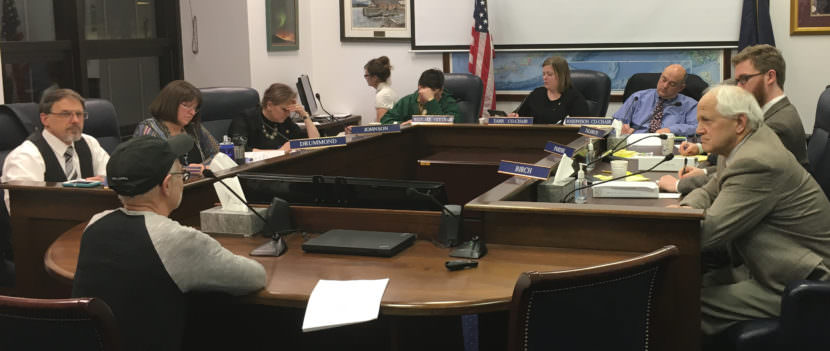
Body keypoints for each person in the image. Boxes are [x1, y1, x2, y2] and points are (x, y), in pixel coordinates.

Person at [72, 134, 266, 351]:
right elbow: (255, 277)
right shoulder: (176, 239)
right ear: (166, 185)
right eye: (181, 174)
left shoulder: (95, 224)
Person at [670, 85, 830, 336]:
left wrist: (676, 220)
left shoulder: (756, 161)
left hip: (795, 281)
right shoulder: (740, 143)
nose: (698, 130)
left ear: (739, 122)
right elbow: (710, 189)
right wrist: (685, 210)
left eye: (706, 121)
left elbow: (705, 233)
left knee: (679, 303)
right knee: (680, 284)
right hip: (764, 264)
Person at [659, 45, 809, 193]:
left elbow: (739, 175)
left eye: (744, 80)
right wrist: (703, 170)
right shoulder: (767, 114)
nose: (738, 88)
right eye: (737, 81)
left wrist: (679, 185)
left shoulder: (778, 125)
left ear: (770, 77)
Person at [2, 89, 110, 210]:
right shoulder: (25, 157)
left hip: (90, 220)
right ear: (45, 119)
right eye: (65, 114)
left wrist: (106, 182)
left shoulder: (89, 143)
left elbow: (113, 178)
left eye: (79, 114)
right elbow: (24, 210)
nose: (75, 120)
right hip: (49, 226)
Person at [133, 80, 219, 166]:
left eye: (195, 108)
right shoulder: (149, 128)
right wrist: (191, 171)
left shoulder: (194, 127)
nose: (192, 112)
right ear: (170, 103)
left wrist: (203, 167)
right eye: (186, 106)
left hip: (201, 179)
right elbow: (152, 168)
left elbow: (217, 154)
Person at [228, 83, 320, 152]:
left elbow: (314, 142)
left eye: (289, 110)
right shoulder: (245, 119)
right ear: (269, 105)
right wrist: (279, 152)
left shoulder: (284, 120)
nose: (288, 114)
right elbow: (239, 150)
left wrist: (305, 115)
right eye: (284, 110)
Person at [613, 64, 698, 136]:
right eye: (663, 80)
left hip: (669, 145)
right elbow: (616, 120)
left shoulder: (690, 105)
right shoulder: (638, 98)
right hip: (635, 143)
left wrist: (671, 130)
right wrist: (621, 128)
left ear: (681, 88)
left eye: (672, 84)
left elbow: (697, 127)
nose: (665, 86)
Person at [509, 56, 589, 124]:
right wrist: (513, 118)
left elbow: (583, 128)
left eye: (549, 74)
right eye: (543, 74)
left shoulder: (575, 98)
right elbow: (519, 116)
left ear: (562, 76)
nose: (545, 77)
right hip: (534, 140)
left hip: (562, 141)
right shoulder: (536, 94)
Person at [380, 68, 461, 124]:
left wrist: (431, 101)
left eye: (435, 96)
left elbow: (453, 124)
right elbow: (385, 121)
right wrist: (403, 124)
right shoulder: (407, 101)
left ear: (441, 90)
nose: (434, 98)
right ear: (420, 88)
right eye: (428, 95)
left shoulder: (448, 102)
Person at [364, 56, 398, 122]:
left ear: (375, 78)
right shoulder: (388, 91)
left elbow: (381, 126)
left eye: (366, 75)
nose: (365, 78)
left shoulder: (382, 95)